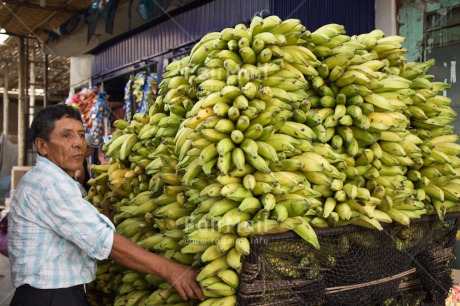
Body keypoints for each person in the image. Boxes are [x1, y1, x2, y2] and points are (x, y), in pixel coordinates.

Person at [8, 104, 204, 305]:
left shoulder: (47, 180)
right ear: (42, 146)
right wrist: (171, 270)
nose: (78, 143)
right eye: (66, 136)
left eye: (81, 135)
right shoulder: (50, 184)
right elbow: (102, 241)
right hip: (50, 298)